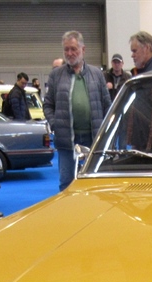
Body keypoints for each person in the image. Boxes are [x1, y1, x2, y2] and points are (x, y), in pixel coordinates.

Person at [43, 31, 111, 191]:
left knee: (95, 183)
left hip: (93, 140)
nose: (69, 53)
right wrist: (55, 124)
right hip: (67, 141)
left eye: (73, 49)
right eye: (66, 49)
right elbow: (47, 105)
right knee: (66, 183)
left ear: (83, 49)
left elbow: (107, 105)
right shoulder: (55, 76)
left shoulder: (97, 74)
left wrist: (105, 132)